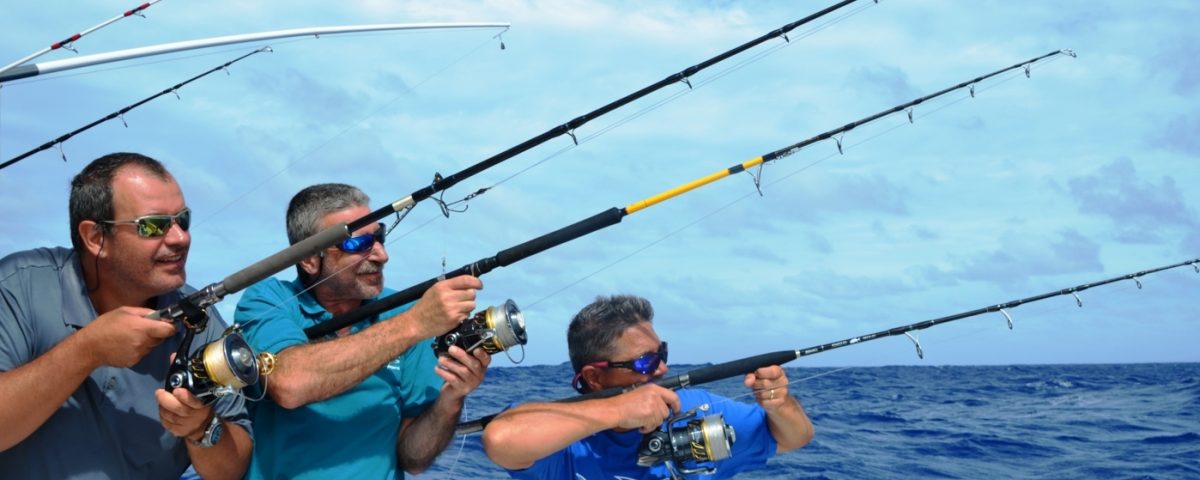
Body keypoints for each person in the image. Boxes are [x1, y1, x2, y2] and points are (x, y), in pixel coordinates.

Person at [0, 152, 253, 479]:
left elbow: (231, 470)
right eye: (154, 226)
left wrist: (201, 427)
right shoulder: (19, 285)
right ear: (95, 237)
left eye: (183, 220)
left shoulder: (199, 318)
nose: (180, 238)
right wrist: (87, 349)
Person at [235, 183, 490, 479]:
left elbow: (414, 459)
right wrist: (415, 324)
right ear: (308, 259)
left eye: (379, 237)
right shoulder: (266, 301)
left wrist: (451, 399)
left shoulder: (404, 312)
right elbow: (289, 383)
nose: (382, 255)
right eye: (358, 244)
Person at [482, 294, 814, 479]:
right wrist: (617, 411)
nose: (663, 368)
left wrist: (779, 404)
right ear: (595, 377)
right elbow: (501, 440)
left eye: (662, 354)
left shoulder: (693, 406)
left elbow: (794, 437)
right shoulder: (564, 439)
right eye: (645, 362)